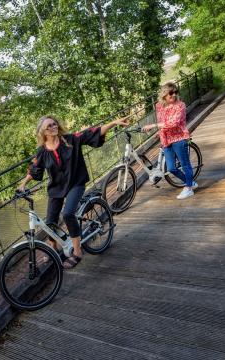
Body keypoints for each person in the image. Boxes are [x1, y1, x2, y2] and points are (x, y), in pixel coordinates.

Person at [17, 115, 129, 269]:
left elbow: (93, 132)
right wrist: (23, 184)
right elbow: (34, 169)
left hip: (76, 183)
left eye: (54, 124)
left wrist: (113, 123)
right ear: (43, 132)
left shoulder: (70, 140)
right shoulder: (42, 151)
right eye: (49, 126)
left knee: (68, 214)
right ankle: (53, 250)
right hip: (56, 188)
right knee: (50, 221)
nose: (53, 127)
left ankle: (77, 252)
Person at [142, 82, 197, 199]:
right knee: (171, 168)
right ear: (164, 94)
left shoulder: (180, 105)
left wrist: (154, 125)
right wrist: (159, 132)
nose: (174, 95)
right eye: (171, 93)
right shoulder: (159, 106)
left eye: (175, 92)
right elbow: (163, 122)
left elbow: (174, 123)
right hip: (166, 140)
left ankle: (188, 188)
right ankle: (190, 182)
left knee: (185, 164)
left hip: (179, 137)